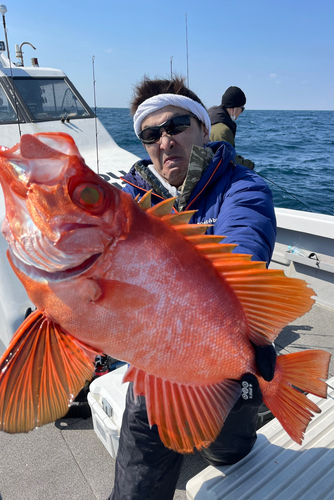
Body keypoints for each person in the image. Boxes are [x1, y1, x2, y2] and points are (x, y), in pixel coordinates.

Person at [108, 76, 277, 500]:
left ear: (204, 128)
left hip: (220, 356)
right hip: (158, 363)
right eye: (151, 134)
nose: (164, 141)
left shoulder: (241, 187)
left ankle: (231, 437)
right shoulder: (129, 203)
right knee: (139, 460)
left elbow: (243, 248)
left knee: (229, 450)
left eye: (176, 125)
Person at [208, 86, 255, 170]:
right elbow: (231, 162)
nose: (241, 112)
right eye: (242, 109)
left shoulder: (211, 117)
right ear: (235, 108)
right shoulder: (222, 130)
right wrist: (250, 165)